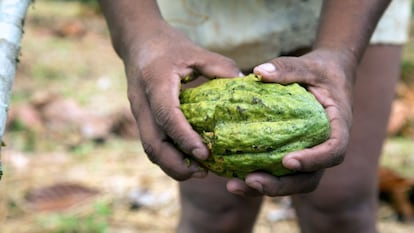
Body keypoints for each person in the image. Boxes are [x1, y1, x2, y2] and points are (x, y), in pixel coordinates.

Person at [97, 0, 411, 232]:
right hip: (201, 10)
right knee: (214, 213)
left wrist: (342, 53)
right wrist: (140, 35)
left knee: (341, 205)